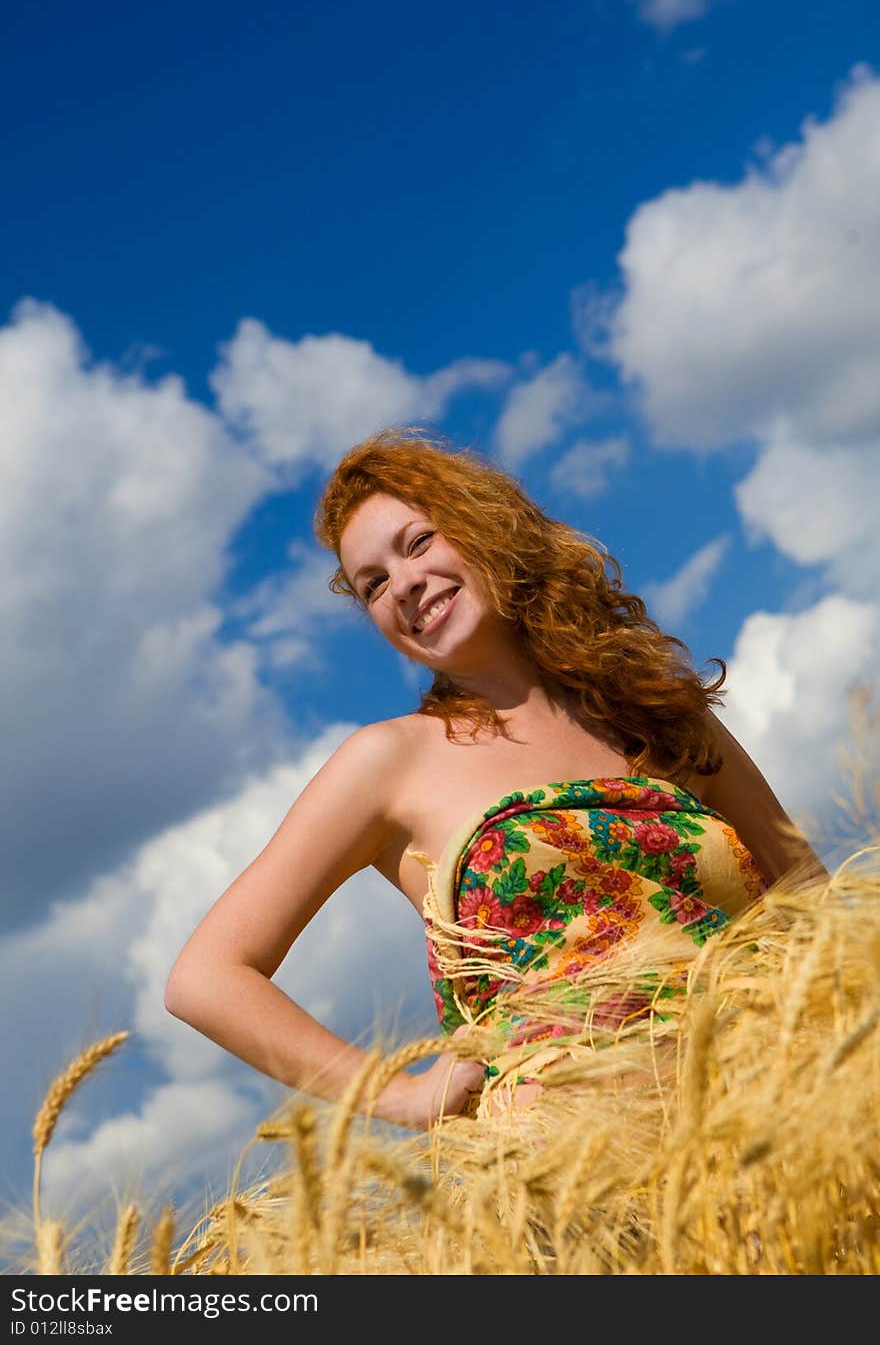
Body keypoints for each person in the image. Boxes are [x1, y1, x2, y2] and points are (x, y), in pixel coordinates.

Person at [164, 427, 825, 1130]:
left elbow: (813, 907)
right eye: (374, 585)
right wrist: (403, 1096)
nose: (405, 585)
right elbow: (206, 979)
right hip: (573, 1179)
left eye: (417, 543)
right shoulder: (389, 762)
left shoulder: (658, 714)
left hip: (769, 1127)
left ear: (487, 528)